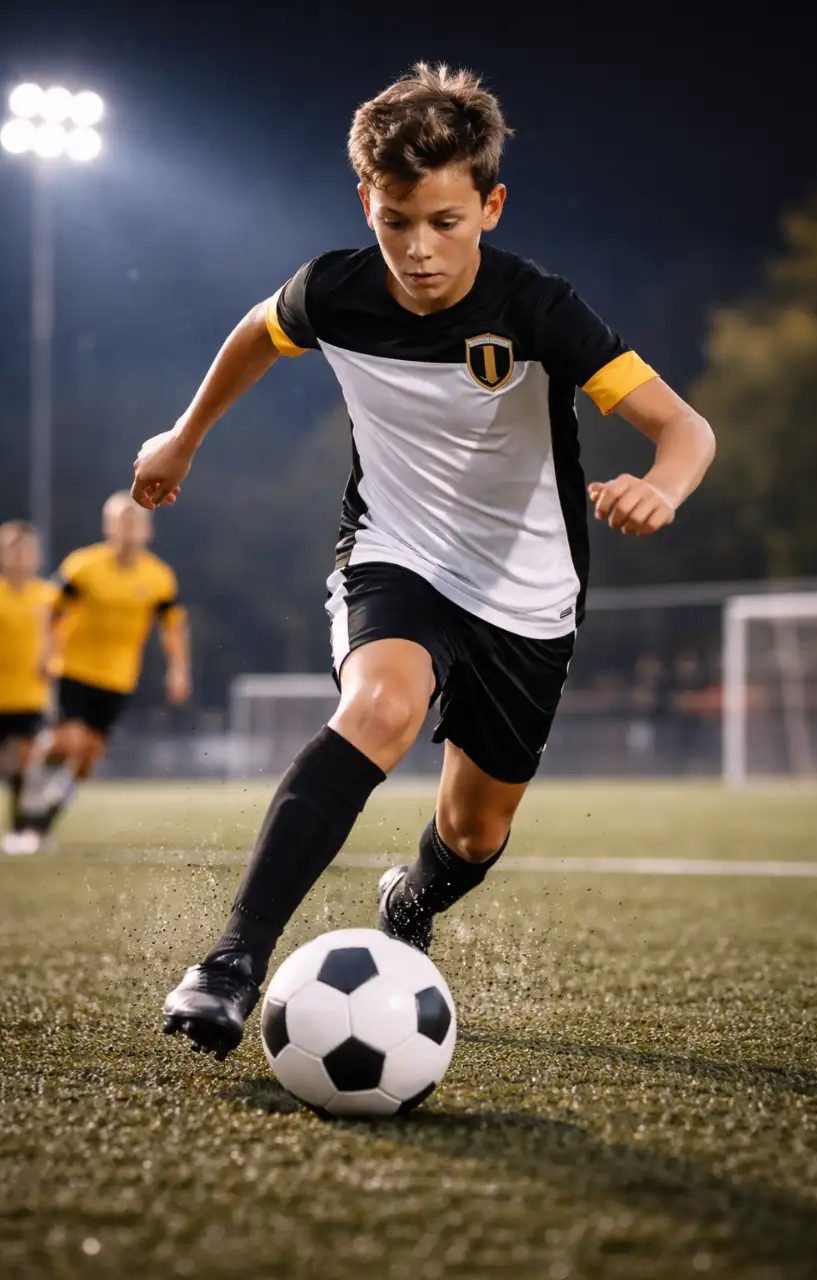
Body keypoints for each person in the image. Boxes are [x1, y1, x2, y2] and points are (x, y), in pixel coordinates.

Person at [131, 63, 716, 1060]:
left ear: (489, 204)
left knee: (474, 833)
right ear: (367, 199)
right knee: (380, 708)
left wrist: (661, 483)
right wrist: (183, 436)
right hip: (394, 554)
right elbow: (257, 332)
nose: (417, 248)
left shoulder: (538, 309)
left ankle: (411, 894)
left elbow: (685, 427)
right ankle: (229, 962)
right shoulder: (335, 290)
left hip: (528, 592)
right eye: (396, 218)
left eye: (445, 220)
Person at [18, 491, 191, 845]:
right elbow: (50, 609)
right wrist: (45, 652)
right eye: (121, 521)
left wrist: (178, 670)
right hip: (74, 668)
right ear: (108, 527)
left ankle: (43, 819)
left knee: (87, 758)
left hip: (118, 677)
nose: (128, 529)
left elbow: (173, 626)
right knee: (69, 741)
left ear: (148, 531)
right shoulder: (84, 566)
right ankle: (30, 791)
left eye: (135, 522)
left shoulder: (158, 577)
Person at [0, 522, 55, 855]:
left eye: (26, 550)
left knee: (23, 766)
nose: (20, 556)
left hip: (29, 695)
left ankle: (19, 830)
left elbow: (60, 638)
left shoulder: (48, 596)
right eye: (12, 549)